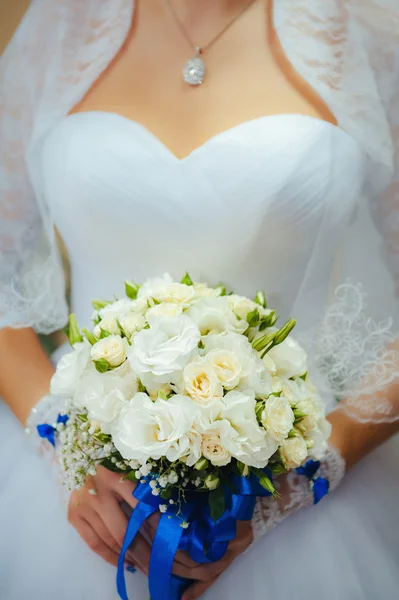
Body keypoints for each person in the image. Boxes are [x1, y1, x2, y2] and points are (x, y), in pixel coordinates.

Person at [0, 1, 398, 599]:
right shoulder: (63, 24)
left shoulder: (364, 30)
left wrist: (311, 473)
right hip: (76, 492)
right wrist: (64, 445)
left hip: (298, 498)